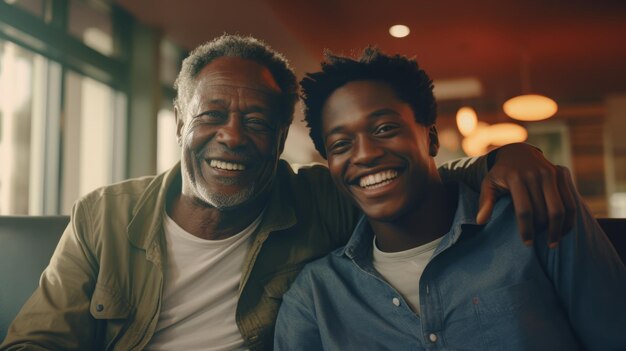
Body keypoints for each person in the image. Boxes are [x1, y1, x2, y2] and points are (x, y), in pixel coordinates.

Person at [1, 35, 575, 351]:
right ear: (180, 122)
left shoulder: (316, 198)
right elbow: (37, 344)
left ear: (279, 139)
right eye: (212, 115)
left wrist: (506, 157)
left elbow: (409, 173)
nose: (231, 136)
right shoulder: (105, 214)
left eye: (254, 121)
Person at [273, 48, 626, 350]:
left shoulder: (534, 213)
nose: (364, 154)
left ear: (430, 138)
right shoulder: (315, 298)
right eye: (341, 144)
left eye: (384, 129)